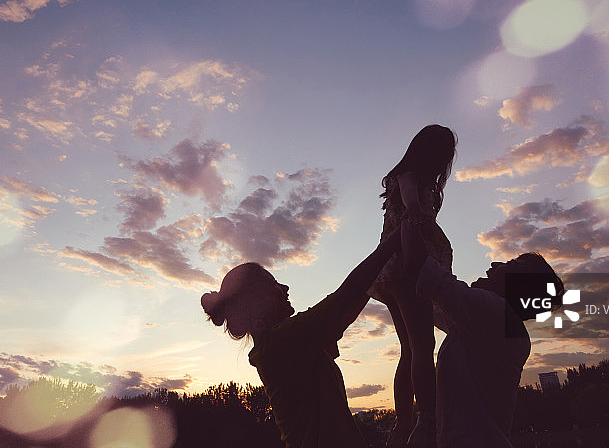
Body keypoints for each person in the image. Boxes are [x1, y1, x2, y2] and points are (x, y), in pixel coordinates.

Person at [201, 227, 401, 448]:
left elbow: (342, 316)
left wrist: (375, 278)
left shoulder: (287, 344)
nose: (285, 287)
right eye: (274, 284)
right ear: (257, 303)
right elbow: (343, 298)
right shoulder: (280, 344)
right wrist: (390, 244)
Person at [401, 220, 564, 448]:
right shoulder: (480, 326)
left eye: (509, 264)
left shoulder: (498, 316)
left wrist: (408, 213)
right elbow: (429, 304)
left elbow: (419, 266)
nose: (494, 264)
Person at [369, 124, 457, 448]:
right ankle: (427, 422)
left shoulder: (408, 176)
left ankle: (404, 423)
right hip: (407, 269)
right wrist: (416, 208)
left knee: (410, 348)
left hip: (389, 270)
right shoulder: (410, 176)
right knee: (422, 345)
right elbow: (408, 192)